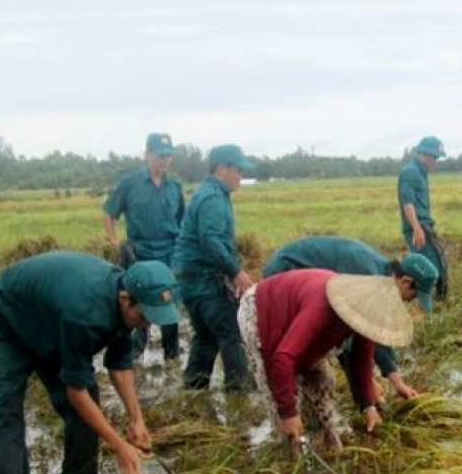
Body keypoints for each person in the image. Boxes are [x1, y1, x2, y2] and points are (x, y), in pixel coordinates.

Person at [0, 251, 181, 474]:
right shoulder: (84, 314)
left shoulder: (126, 299)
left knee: (87, 405)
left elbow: (119, 365)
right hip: (4, 325)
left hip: (50, 325)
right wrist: (119, 445)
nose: (148, 324)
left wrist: (136, 419)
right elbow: (76, 392)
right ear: (124, 299)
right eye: (145, 316)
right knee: (8, 413)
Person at [238, 270, 414, 452]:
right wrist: (288, 413)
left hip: (299, 311)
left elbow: (361, 360)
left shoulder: (366, 316)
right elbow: (283, 357)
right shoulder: (324, 307)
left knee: (323, 382)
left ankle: (328, 441)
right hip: (262, 309)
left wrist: (368, 406)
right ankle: (293, 452)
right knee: (280, 395)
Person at [262, 234, 439, 407]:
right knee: (293, 352)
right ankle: (283, 408)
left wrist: (396, 381)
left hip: (308, 284)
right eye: (414, 295)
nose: (410, 301)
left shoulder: (381, 279)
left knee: (314, 358)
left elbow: (374, 331)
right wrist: (366, 390)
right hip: (285, 273)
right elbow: (349, 343)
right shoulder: (365, 277)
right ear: (406, 282)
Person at [173, 144, 255, 392]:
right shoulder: (213, 198)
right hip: (205, 279)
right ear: (221, 169)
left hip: (189, 279)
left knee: (206, 336)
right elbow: (210, 239)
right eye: (237, 170)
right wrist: (235, 272)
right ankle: (239, 396)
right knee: (231, 334)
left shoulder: (209, 193)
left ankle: (193, 390)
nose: (241, 176)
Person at [103, 132, 185, 362]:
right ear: (148, 154)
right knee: (139, 302)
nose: (164, 161)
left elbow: (182, 221)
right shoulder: (130, 184)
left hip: (168, 252)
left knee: (169, 301)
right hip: (139, 253)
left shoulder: (175, 187)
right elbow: (110, 212)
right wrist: (114, 240)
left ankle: (171, 355)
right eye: (159, 155)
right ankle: (134, 354)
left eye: (168, 156)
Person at [398, 135, 448, 298]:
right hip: (418, 228)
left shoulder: (420, 172)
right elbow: (407, 202)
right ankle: (427, 300)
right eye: (434, 157)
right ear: (425, 154)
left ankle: (437, 299)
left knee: (437, 262)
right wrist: (417, 229)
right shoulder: (410, 172)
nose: (435, 162)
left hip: (424, 226)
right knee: (429, 268)